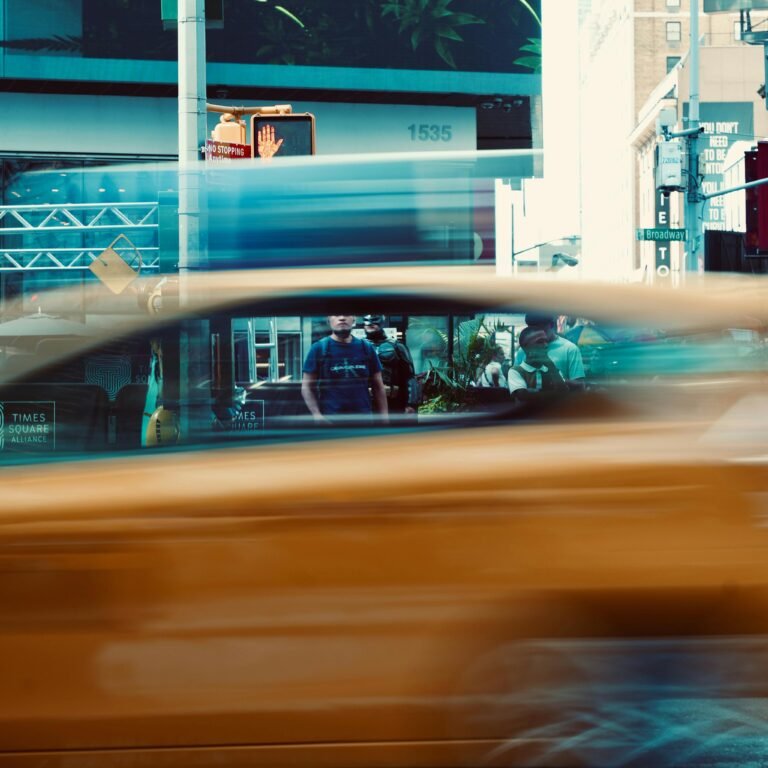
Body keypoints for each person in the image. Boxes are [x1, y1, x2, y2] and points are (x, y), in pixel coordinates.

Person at [302, 315, 388, 424]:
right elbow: (306, 387)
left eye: (347, 314)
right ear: (329, 320)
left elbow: (378, 386)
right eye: (337, 314)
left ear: (354, 320)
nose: (342, 318)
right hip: (331, 422)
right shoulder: (319, 349)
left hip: (363, 422)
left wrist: (385, 418)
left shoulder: (366, 348)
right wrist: (317, 415)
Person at [362, 314, 421, 416]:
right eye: (367, 321)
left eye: (374, 320)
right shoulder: (357, 347)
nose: (370, 323)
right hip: (365, 402)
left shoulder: (397, 346)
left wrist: (411, 403)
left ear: (382, 322)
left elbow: (410, 376)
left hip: (393, 401)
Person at [514, 312, 585, 384]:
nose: (536, 334)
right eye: (532, 330)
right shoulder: (523, 350)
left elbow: (579, 386)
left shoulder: (570, 349)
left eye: (541, 329)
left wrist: (552, 381)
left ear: (551, 325)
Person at [508, 327, 569, 403]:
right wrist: (555, 394)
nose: (546, 345)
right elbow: (523, 396)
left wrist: (550, 365)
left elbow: (564, 393)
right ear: (526, 348)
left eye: (546, 341)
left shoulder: (552, 369)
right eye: (540, 342)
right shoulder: (515, 371)